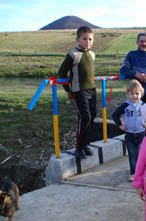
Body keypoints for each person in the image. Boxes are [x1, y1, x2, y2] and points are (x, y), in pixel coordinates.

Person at [58, 26, 96, 159]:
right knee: (84, 117)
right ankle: (78, 147)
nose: (87, 41)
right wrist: (68, 90)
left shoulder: (92, 54)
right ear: (78, 39)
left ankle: (85, 144)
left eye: (90, 39)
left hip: (92, 90)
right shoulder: (73, 54)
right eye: (84, 39)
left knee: (92, 116)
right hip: (79, 91)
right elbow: (61, 73)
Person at [112, 80, 145, 181]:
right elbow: (115, 115)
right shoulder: (125, 105)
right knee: (132, 154)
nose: (135, 96)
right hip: (129, 135)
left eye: (137, 93)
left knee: (140, 155)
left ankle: (141, 172)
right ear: (128, 94)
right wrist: (120, 125)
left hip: (141, 134)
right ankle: (133, 173)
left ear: (141, 93)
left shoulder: (144, 105)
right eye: (132, 93)